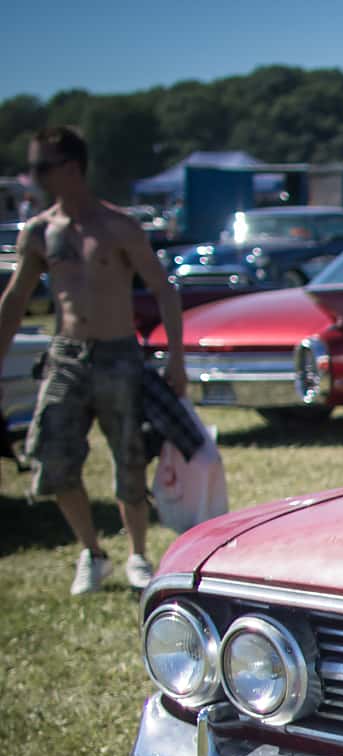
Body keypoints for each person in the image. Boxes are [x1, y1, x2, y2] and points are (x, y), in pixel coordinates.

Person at [0, 126, 186, 596]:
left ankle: (138, 556)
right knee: (52, 457)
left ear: (71, 167)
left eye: (42, 166)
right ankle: (92, 552)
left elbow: (163, 290)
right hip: (65, 355)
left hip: (118, 354)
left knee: (128, 460)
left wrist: (176, 359)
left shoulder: (118, 226)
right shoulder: (40, 232)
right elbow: (16, 297)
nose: (35, 176)